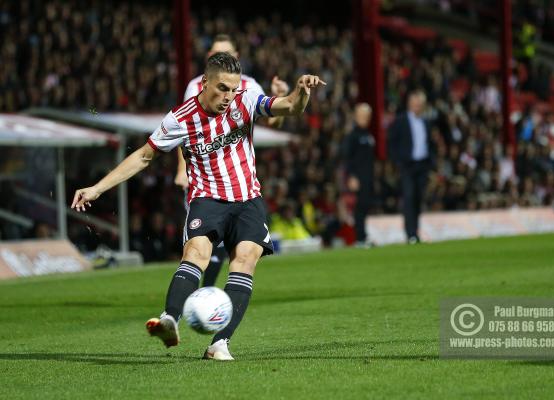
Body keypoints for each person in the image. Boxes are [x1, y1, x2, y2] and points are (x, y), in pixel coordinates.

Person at [71, 52, 325, 360]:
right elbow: (143, 156)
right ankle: (169, 319)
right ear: (204, 83)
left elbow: (288, 108)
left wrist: (301, 92)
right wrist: (97, 188)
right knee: (196, 253)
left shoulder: (246, 100)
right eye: (222, 88)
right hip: (207, 198)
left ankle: (220, 344)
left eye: (233, 89)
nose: (228, 96)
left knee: (245, 260)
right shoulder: (180, 118)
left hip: (247, 199)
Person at [175, 34, 289, 288]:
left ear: (237, 56)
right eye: (214, 53)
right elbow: (183, 130)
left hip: (238, 176)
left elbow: (273, 120)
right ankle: (202, 295)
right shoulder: (196, 86)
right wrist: (181, 169)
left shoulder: (250, 86)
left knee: (235, 246)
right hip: (205, 178)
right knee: (205, 241)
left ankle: (207, 295)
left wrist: (280, 96)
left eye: (225, 52)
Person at [387, 90, 434, 244]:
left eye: (420, 104)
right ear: (409, 103)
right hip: (407, 165)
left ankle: (416, 231)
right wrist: (397, 161)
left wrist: (430, 163)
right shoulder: (400, 121)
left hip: (422, 165)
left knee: (418, 199)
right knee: (409, 197)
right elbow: (392, 142)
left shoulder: (426, 122)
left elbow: (429, 144)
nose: (418, 106)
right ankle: (411, 234)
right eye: (415, 103)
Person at [341, 103, 375, 247]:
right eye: (362, 115)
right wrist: (351, 176)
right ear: (356, 116)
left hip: (368, 177)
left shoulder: (368, 135)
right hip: (357, 177)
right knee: (359, 207)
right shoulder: (352, 136)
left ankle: (363, 235)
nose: (364, 118)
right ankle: (360, 238)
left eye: (367, 115)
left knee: (365, 205)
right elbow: (347, 157)